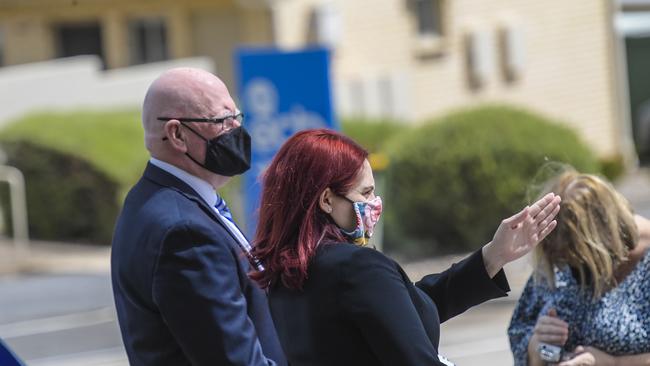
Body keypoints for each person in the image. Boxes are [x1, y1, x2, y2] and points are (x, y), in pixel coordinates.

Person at [250, 129, 561, 366]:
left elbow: (407, 308)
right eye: (366, 193)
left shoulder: (282, 273)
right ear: (327, 199)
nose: (374, 204)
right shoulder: (357, 268)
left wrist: (493, 256)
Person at [111, 68, 286, 366]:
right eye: (221, 121)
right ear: (177, 135)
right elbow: (235, 360)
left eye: (237, 117)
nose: (236, 129)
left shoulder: (163, 199)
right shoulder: (185, 232)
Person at [508, 169, 650, 366]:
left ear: (603, 236)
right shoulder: (557, 254)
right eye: (560, 259)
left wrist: (614, 362)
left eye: (577, 259)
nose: (569, 269)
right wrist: (535, 347)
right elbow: (521, 334)